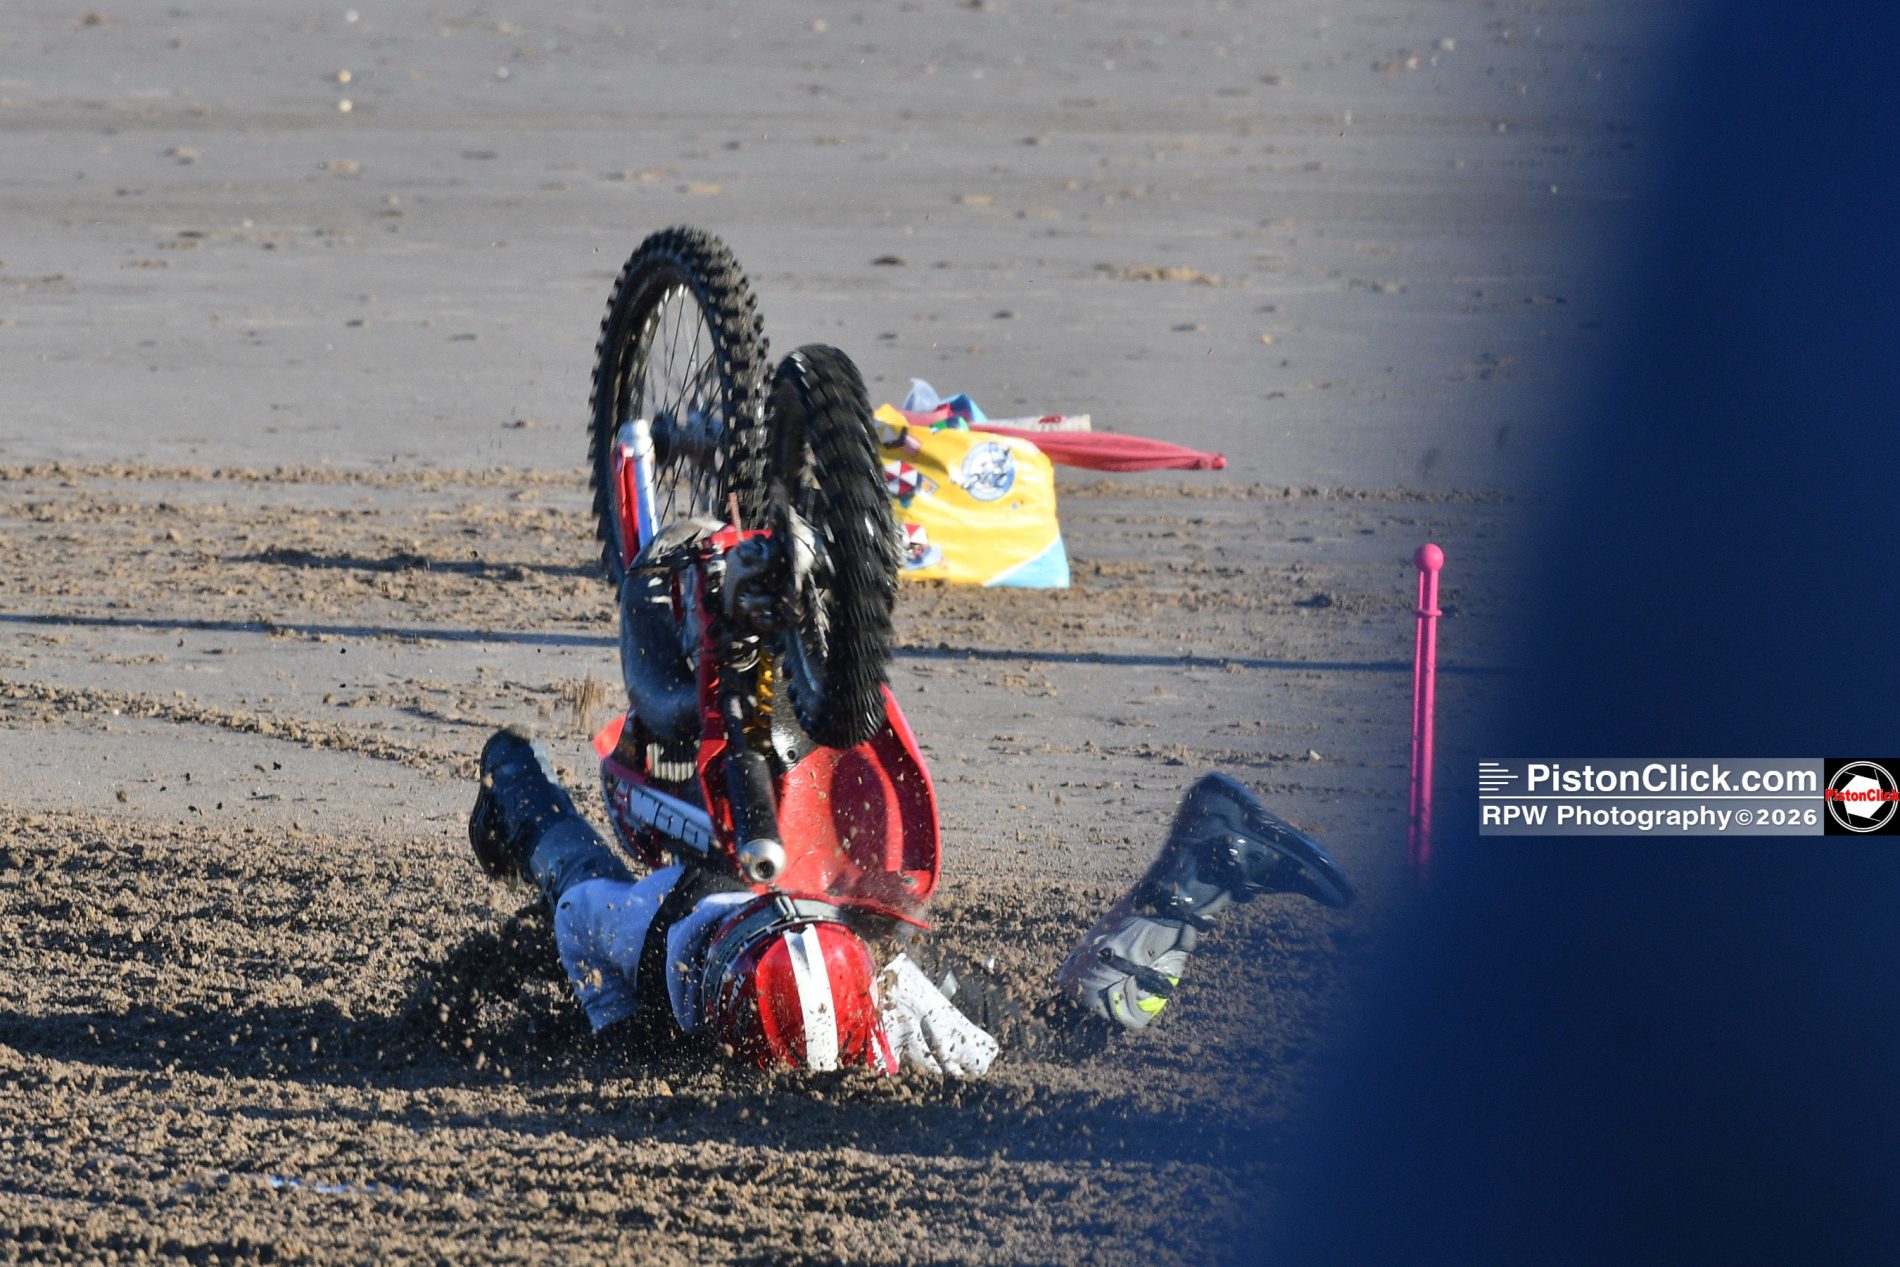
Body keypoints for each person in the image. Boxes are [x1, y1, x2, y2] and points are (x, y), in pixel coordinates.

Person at [467, 727, 1355, 1077]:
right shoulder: (650, 926)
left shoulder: (890, 991)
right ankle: (512, 769)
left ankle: (1203, 872)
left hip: (831, 910)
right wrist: (610, 1019)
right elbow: (578, 913)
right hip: (732, 879)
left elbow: (987, 1065)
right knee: (563, 861)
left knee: (1059, 1044)